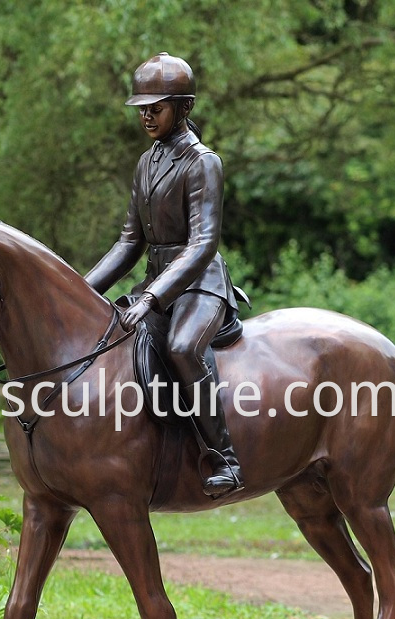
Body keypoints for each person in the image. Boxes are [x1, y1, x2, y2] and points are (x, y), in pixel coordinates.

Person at [85, 52, 244, 498]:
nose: (147, 115)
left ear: (184, 107)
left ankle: (225, 458)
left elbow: (202, 244)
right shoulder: (146, 163)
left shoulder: (202, 162)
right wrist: (79, 291)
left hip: (199, 284)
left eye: (157, 107)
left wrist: (152, 297)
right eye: (143, 108)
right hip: (155, 287)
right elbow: (128, 243)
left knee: (182, 347)